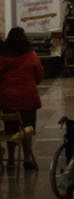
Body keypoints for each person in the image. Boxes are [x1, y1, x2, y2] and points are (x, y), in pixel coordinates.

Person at [0, 27, 43, 170]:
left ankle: (11, 158)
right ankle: (26, 158)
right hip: (28, 97)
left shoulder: (2, 56)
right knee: (27, 129)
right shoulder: (31, 54)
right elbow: (39, 74)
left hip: (8, 98)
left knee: (10, 129)